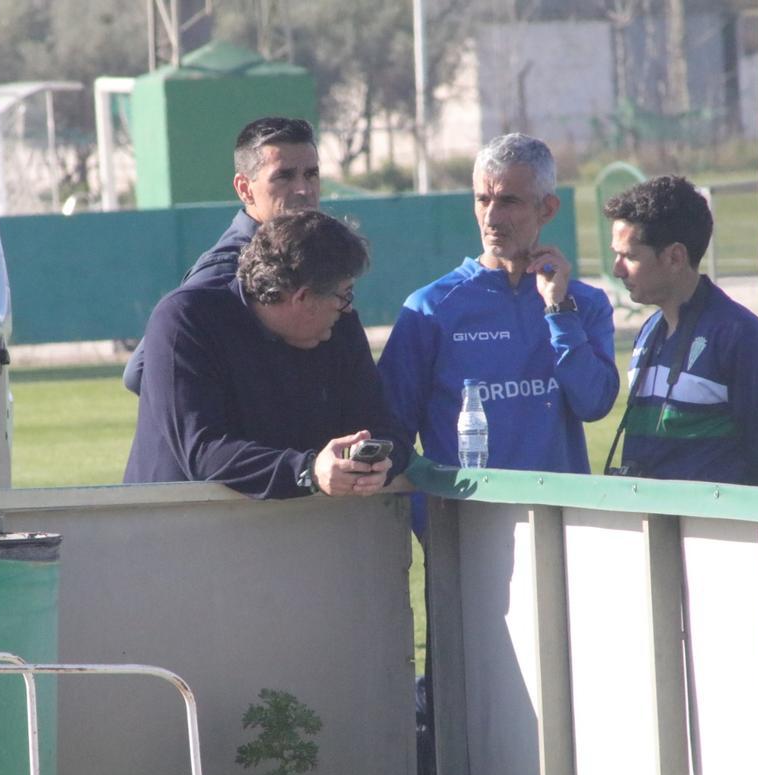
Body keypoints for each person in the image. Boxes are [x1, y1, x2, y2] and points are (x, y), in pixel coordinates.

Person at [378, 133, 619, 500]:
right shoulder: (430, 309)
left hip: (561, 525)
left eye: (508, 201)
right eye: (482, 199)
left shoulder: (583, 303)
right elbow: (390, 435)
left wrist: (558, 310)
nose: (492, 217)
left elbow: (594, 404)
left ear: (548, 208)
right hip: (465, 532)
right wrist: (431, 524)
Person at [123, 209, 411, 499]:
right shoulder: (185, 320)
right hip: (176, 528)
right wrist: (309, 471)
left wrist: (379, 464)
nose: (347, 307)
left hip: (304, 530)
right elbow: (203, 450)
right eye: (343, 295)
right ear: (302, 298)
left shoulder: (341, 327)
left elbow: (385, 427)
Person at [602, 175, 758, 486]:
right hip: (652, 529)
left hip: (718, 533)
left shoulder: (743, 339)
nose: (617, 269)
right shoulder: (649, 331)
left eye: (629, 256)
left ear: (675, 257)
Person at [123, 116, 321, 394]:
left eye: (311, 174)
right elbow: (140, 372)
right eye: (284, 176)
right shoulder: (227, 268)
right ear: (244, 188)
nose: (304, 189)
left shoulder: (315, 255)